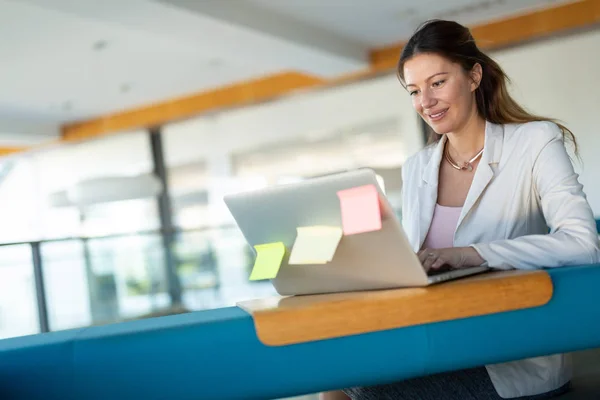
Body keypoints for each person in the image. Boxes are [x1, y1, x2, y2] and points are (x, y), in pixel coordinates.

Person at [321, 19, 600, 400]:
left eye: (438, 82)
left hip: (510, 359)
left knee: (361, 387)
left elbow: (583, 244)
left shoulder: (534, 141)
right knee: (332, 372)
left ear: (473, 76)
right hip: (440, 341)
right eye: (414, 90)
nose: (426, 101)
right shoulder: (417, 167)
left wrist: (469, 255)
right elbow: (423, 263)